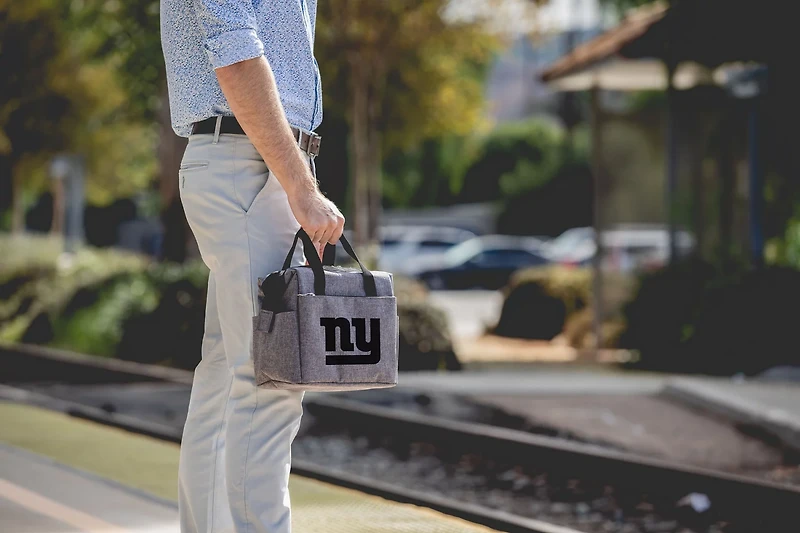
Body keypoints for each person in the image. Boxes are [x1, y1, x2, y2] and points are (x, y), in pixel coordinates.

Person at [160, 1, 344, 532]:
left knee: (227, 375)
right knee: (271, 378)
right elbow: (235, 52)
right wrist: (301, 189)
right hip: (251, 165)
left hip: (251, 161)